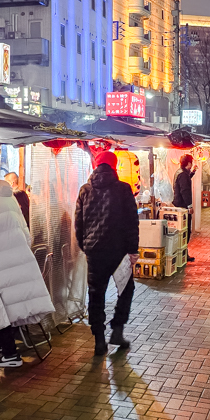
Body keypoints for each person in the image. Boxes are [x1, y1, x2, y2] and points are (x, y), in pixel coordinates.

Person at [0, 180, 54, 368]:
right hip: (18, 260)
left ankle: (10, 354)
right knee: (5, 304)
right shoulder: (10, 199)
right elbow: (26, 232)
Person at [75, 151, 140, 356]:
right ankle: (117, 330)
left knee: (96, 294)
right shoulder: (123, 189)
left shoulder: (85, 190)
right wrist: (133, 250)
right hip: (118, 251)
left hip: (94, 251)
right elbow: (132, 222)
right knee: (126, 289)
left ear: (96, 165)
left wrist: (84, 245)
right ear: (114, 166)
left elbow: (79, 223)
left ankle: (99, 341)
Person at [171, 154, 196, 262]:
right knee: (185, 230)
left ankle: (183, 253)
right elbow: (185, 191)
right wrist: (189, 206)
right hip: (182, 206)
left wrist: (193, 173)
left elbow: (184, 183)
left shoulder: (180, 172)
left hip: (178, 205)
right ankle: (183, 254)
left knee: (181, 230)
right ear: (189, 163)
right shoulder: (183, 175)